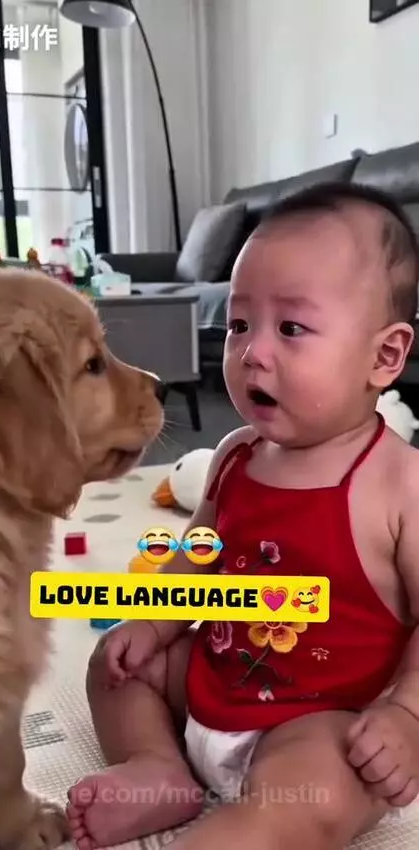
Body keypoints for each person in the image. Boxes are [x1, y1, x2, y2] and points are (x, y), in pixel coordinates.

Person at [66, 181, 419, 850]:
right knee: (114, 663)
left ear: (384, 356)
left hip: (319, 720)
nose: (252, 351)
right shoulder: (233, 455)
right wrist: (151, 619)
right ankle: (159, 767)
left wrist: (405, 715)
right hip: (216, 673)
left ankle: (250, 828)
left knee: (323, 787)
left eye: (290, 327)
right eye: (238, 324)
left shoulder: (401, 484)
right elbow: (197, 550)